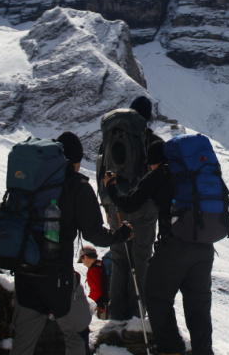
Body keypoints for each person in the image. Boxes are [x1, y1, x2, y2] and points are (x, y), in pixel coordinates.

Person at [10, 131, 132, 355]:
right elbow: (94, 234)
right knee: (77, 334)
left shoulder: (31, 181)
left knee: (23, 343)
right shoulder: (78, 187)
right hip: (57, 278)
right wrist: (121, 234)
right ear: (76, 160)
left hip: (24, 274)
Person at [104, 140, 216, 355]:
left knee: (156, 296)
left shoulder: (159, 174)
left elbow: (129, 204)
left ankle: (172, 349)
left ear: (154, 162)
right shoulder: (193, 172)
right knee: (198, 305)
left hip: (175, 246)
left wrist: (111, 186)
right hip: (204, 247)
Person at [96, 96, 162, 333]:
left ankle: (117, 315)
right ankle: (138, 315)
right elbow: (161, 177)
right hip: (143, 207)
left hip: (116, 205)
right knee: (141, 257)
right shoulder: (152, 141)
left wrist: (107, 206)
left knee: (119, 257)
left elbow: (101, 172)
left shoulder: (109, 139)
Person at [79, 245, 107, 316]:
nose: (83, 263)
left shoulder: (93, 271)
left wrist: (89, 302)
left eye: (82, 260)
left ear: (85, 257)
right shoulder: (102, 265)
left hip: (102, 305)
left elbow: (96, 291)